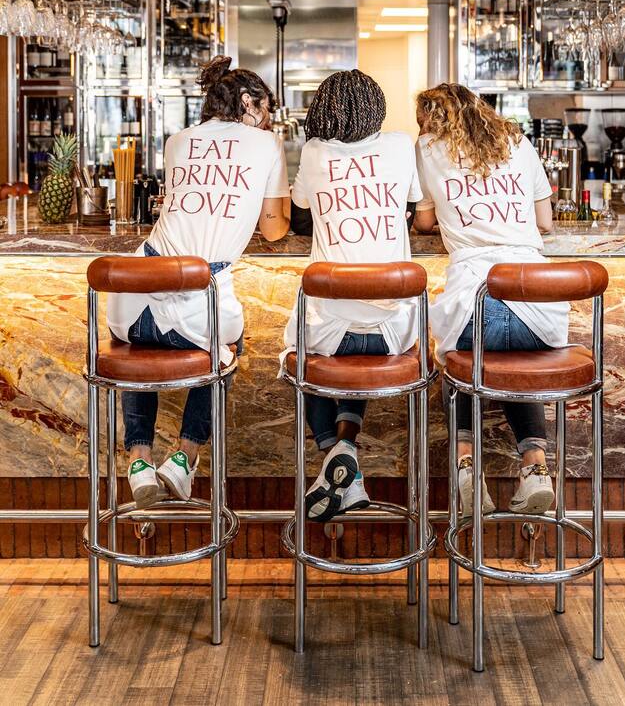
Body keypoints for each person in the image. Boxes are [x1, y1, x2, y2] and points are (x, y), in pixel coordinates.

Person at [108, 58, 290, 508]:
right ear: (248, 103)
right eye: (264, 107)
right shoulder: (266, 144)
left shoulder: (177, 140)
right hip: (201, 306)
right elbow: (272, 229)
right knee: (228, 351)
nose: (266, 117)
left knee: (141, 351)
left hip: (134, 300)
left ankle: (138, 461)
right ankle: (183, 460)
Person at [413, 83, 569, 516]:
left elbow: (425, 222)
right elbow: (545, 222)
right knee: (517, 359)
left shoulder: (426, 148)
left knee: (466, 360)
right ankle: (536, 466)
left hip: (473, 299)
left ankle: (465, 464)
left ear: (431, 120)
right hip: (536, 304)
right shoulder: (518, 141)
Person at [283, 69, 423, 522]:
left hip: (331, 332)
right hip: (394, 336)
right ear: (376, 107)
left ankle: (334, 457)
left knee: (302, 348)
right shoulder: (402, 145)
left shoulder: (314, 151)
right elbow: (415, 208)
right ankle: (346, 458)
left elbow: (298, 214)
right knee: (354, 337)